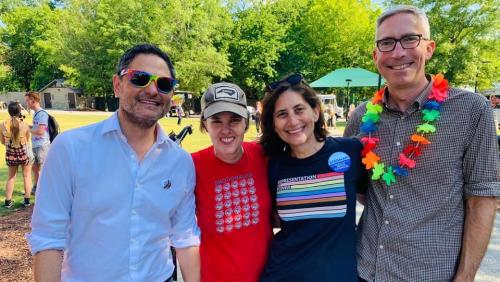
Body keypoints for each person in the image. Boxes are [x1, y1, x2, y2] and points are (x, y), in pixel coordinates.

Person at [344, 5, 499, 282]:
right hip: (364, 271)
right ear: (375, 56)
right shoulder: (361, 117)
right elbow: (357, 188)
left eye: (410, 39)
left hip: (430, 274)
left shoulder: (472, 111)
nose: (398, 52)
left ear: (429, 48)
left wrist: (465, 277)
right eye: (387, 43)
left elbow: (482, 198)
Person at [27, 43, 200, 282]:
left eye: (164, 84)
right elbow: (48, 237)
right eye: (140, 78)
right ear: (117, 85)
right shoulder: (71, 149)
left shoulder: (180, 161)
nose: (152, 90)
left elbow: (185, 236)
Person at [259, 74, 368, 282]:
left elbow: (372, 200)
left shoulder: (351, 152)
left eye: (299, 110)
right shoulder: (273, 165)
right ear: (273, 125)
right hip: (283, 274)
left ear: (316, 112)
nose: (293, 121)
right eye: (282, 114)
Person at [192, 82, 272, 282]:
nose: (226, 130)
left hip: (268, 276)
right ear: (204, 125)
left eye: (234, 120)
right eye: (216, 121)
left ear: (246, 122)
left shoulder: (264, 156)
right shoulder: (191, 166)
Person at [1, 102, 33, 208]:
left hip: (10, 154)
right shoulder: (25, 124)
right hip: (24, 153)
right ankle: (27, 201)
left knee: (11, 177)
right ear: (20, 111)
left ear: (9, 111)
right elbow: (27, 140)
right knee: (27, 176)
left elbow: (2, 141)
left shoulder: (2, 125)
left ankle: (8, 201)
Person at [24, 91, 49, 194]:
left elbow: (40, 131)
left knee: (38, 169)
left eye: (27, 101)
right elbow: (36, 128)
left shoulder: (42, 114)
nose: (26, 103)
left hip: (41, 145)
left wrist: (27, 130)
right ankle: (36, 187)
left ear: (33, 100)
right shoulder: (36, 114)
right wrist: (27, 126)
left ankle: (39, 189)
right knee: (35, 168)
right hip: (36, 145)